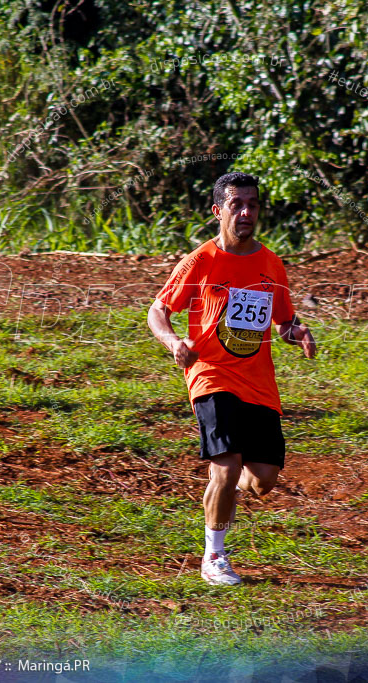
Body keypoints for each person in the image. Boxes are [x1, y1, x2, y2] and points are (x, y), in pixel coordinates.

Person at [147, 172, 317, 586]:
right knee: (225, 467)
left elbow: (282, 320)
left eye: (252, 205)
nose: (245, 212)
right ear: (217, 210)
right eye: (237, 204)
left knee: (263, 480)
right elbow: (157, 311)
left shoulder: (271, 263)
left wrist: (297, 332)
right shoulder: (201, 261)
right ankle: (213, 558)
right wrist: (173, 342)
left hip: (258, 381)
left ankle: (222, 496)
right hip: (210, 375)